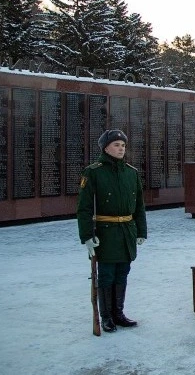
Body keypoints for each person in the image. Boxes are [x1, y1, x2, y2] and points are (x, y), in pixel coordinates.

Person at [77, 130, 147, 333]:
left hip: (127, 232)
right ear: (106, 147)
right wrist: (87, 237)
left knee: (122, 273)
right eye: (116, 145)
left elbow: (139, 206)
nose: (121, 148)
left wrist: (141, 231)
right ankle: (106, 317)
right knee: (106, 275)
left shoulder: (131, 173)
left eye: (123, 145)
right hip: (105, 234)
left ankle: (118, 313)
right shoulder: (94, 172)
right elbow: (84, 208)